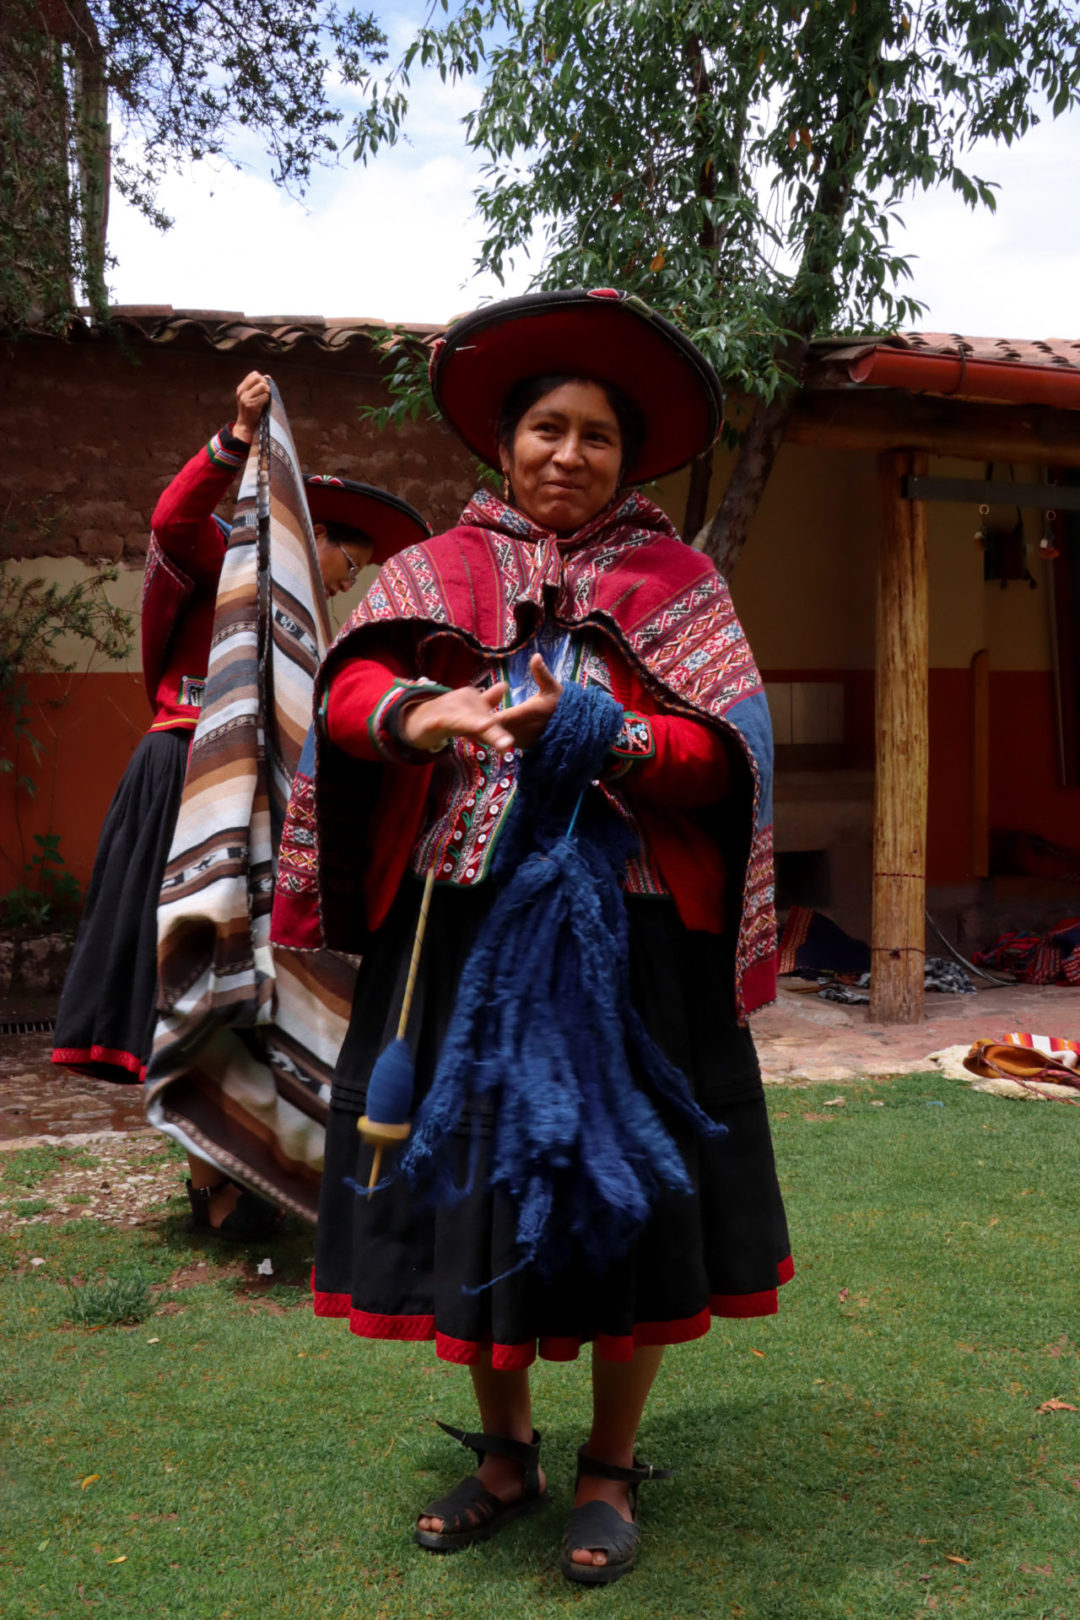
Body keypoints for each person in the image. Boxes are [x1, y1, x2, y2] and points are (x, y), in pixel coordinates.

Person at [271, 288, 790, 1583]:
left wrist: (605, 736)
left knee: (631, 1211)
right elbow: (342, 698)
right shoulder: (426, 577)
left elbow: (729, 755)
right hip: (459, 945)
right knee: (476, 1193)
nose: (570, 454)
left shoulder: (679, 586)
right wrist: (423, 716)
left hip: (633, 956)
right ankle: (506, 1454)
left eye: (597, 436)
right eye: (547, 428)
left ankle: (608, 1465)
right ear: (503, 445)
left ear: (629, 457)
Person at [50, 370, 424, 1236]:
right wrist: (235, 437)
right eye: (345, 562)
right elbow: (170, 522)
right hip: (186, 772)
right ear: (313, 533)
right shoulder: (228, 560)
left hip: (255, 796)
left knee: (250, 976)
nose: (338, 585)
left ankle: (238, 1172)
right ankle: (208, 1183)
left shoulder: (312, 631)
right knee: (194, 973)